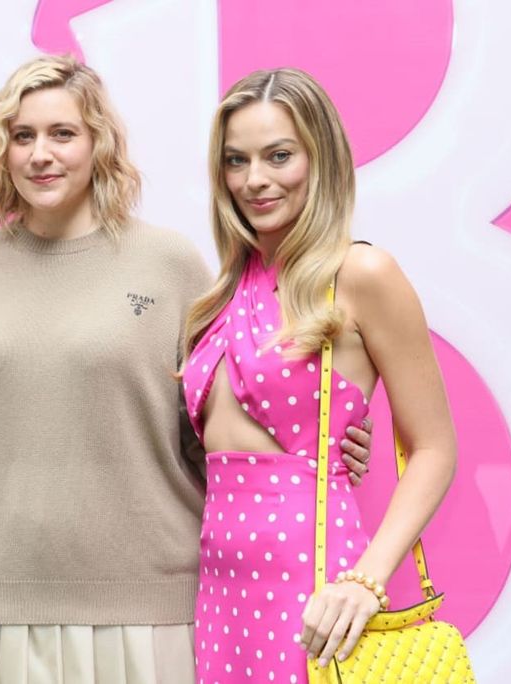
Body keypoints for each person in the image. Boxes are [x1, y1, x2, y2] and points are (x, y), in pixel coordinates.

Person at [0, 55, 373, 683]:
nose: (40, 154)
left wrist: (326, 447)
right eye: (21, 136)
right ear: (0, 150)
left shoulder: (168, 264)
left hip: (151, 600)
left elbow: (219, 416)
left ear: (98, 144)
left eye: (63, 134)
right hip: (6, 601)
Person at [182, 67, 457, 682]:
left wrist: (367, 581)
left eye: (279, 156)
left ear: (321, 157)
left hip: (315, 585)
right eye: (236, 160)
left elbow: (436, 447)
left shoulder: (362, 273)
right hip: (220, 588)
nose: (255, 179)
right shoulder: (226, 290)